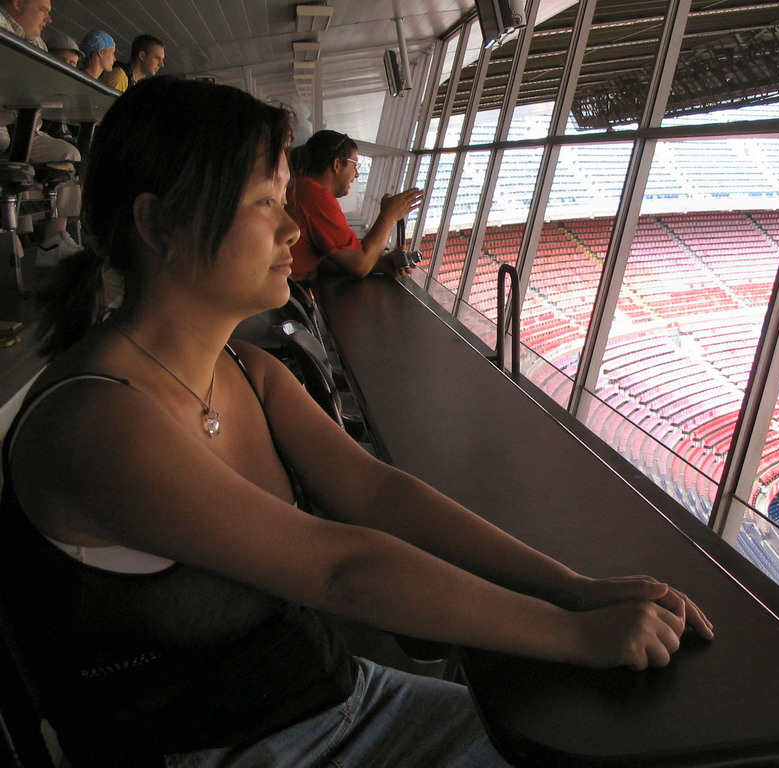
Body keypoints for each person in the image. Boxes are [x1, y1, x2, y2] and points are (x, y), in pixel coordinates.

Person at [0, 77, 712, 768]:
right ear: (159, 223)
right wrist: (572, 634)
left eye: (287, 200)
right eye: (263, 202)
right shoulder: (99, 422)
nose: (290, 225)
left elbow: (378, 494)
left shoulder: (248, 369)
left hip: (340, 701)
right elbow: (341, 570)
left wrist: (573, 587)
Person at [0, 0, 82, 266]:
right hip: (1, 125)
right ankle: (12, 239)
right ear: (17, 3)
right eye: (43, 9)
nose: (48, 19)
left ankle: (53, 239)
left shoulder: (37, 45)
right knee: (9, 153)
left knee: (70, 152)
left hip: (28, 129)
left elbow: (52, 87)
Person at [286, 129, 424, 281]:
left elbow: (325, 261)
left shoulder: (302, 189)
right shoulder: (316, 198)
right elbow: (359, 265)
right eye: (355, 165)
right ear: (337, 164)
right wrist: (389, 215)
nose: (357, 174)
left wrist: (379, 264)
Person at [100, 33, 165, 90]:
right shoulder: (119, 77)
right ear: (142, 56)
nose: (161, 64)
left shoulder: (133, 83)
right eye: (157, 58)